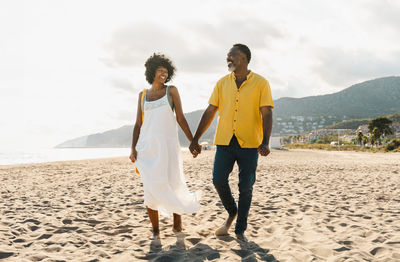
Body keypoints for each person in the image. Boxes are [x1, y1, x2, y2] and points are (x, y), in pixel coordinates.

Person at [189, 44, 273, 242]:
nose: (228, 60)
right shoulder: (222, 83)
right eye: (227, 57)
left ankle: (239, 229)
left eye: (232, 56)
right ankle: (232, 211)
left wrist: (266, 142)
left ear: (243, 58)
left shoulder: (261, 83)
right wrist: (195, 139)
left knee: (246, 187)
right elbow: (210, 111)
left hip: (250, 144)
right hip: (225, 141)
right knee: (218, 179)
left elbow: (267, 113)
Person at [130, 53, 201, 239]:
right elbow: (138, 124)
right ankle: (155, 230)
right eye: (160, 70)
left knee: (173, 181)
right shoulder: (142, 96)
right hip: (147, 148)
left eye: (166, 71)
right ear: (152, 71)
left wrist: (192, 141)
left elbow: (181, 118)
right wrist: (133, 149)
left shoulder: (171, 91)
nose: (164, 73)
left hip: (168, 147)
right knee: (150, 187)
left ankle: (177, 225)